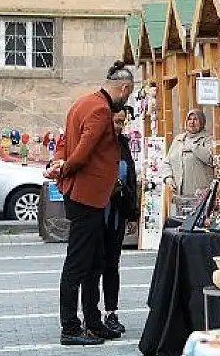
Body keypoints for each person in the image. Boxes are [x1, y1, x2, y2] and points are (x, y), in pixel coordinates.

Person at [45, 61, 134, 346]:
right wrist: (63, 168)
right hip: (87, 196)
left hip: (88, 196)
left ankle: (93, 322)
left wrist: (60, 162)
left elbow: (63, 141)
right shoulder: (99, 109)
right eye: (128, 95)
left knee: (94, 261)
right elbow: (82, 153)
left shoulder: (82, 103)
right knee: (79, 263)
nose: (127, 100)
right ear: (124, 88)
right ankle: (70, 327)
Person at [101, 107, 139, 334]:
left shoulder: (123, 144)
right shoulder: (98, 143)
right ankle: (91, 315)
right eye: (116, 121)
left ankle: (111, 313)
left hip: (116, 214)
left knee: (112, 266)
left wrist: (131, 210)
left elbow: (131, 176)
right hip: (97, 214)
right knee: (94, 266)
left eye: (122, 122)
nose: (119, 126)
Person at [162, 109, 214, 196]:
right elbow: (167, 162)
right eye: (189, 119)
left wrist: (193, 146)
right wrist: (168, 178)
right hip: (179, 194)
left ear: (202, 122)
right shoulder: (179, 139)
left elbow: (210, 159)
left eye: (195, 119)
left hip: (200, 195)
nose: (192, 122)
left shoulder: (208, 139)